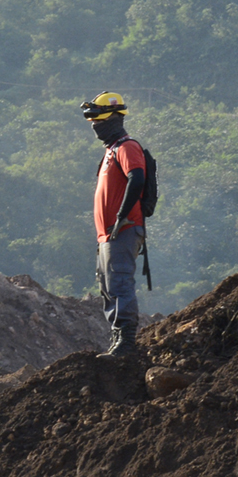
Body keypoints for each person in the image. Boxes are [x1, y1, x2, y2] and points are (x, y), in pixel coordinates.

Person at [82, 92, 147, 358]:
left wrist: (121, 216)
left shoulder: (126, 147)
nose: (94, 126)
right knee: (108, 286)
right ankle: (118, 340)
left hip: (123, 229)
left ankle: (127, 343)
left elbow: (137, 177)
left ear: (112, 119)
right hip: (107, 235)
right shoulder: (111, 151)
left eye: (97, 120)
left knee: (119, 282)